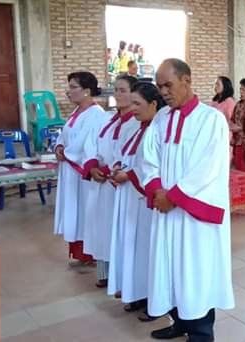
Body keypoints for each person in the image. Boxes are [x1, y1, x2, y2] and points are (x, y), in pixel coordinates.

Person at [141, 59, 234, 341]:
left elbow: (209, 167)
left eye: (168, 85)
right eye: (159, 87)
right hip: (167, 210)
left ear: (187, 80)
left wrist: (174, 197)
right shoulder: (161, 118)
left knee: (196, 271)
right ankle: (179, 322)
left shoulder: (210, 118)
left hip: (195, 216)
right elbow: (148, 157)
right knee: (170, 268)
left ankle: (201, 334)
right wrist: (157, 189)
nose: (164, 92)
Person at [107, 81, 165, 320]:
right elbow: (128, 154)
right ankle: (137, 292)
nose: (132, 109)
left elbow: (155, 165)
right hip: (131, 198)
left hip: (146, 200)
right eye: (131, 103)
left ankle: (154, 298)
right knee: (134, 248)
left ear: (153, 104)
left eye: (137, 104)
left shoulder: (159, 127)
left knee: (148, 250)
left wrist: (129, 174)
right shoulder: (137, 126)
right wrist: (119, 167)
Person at [82, 74, 140, 288]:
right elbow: (92, 144)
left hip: (116, 182)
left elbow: (125, 155)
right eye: (115, 89)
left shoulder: (135, 122)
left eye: (122, 90)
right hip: (101, 182)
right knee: (102, 228)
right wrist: (91, 166)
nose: (117, 94)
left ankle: (120, 277)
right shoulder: (109, 119)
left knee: (118, 231)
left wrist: (106, 169)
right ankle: (105, 272)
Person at [54, 71, 106, 267]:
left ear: (86, 91)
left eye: (73, 87)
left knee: (83, 211)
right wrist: (59, 147)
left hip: (81, 172)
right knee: (74, 211)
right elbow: (65, 135)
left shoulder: (96, 114)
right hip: (70, 170)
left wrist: (67, 152)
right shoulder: (76, 112)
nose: (69, 92)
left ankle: (89, 252)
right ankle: (78, 251)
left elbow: (87, 143)